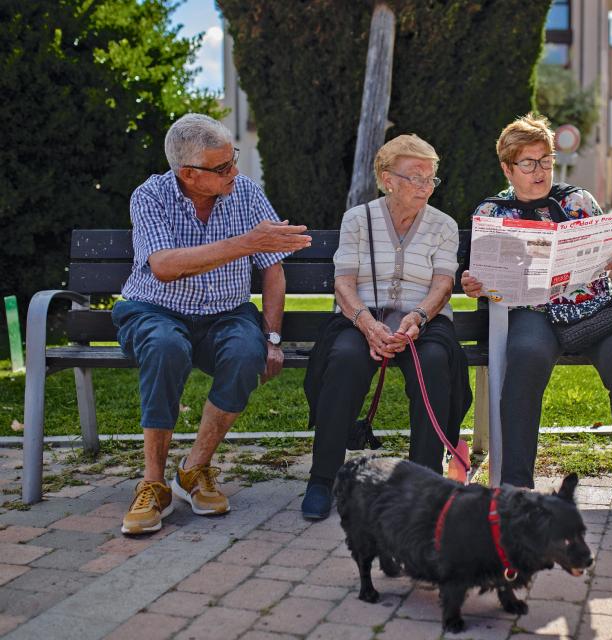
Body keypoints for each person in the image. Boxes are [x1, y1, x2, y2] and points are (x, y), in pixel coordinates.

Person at [113, 113, 312, 535]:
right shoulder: (150, 196)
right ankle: (152, 483)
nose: (234, 172)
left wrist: (273, 338)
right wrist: (245, 243)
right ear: (188, 173)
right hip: (154, 309)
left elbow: (273, 268)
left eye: (233, 159)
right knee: (166, 347)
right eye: (222, 167)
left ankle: (193, 471)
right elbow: (164, 267)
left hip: (226, 312)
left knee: (246, 351)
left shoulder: (245, 192)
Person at [461, 113, 612, 521]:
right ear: (507, 167)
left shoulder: (578, 201)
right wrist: (475, 284)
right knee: (527, 357)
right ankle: (516, 487)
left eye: (545, 161)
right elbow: (481, 278)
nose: (539, 172)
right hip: (532, 311)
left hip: (592, 307)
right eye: (528, 164)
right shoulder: (493, 212)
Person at [301, 134, 472, 520]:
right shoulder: (358, 220)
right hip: (361, 317)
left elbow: (443, 285)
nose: (425, 187)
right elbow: (343, 283)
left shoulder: (443, 225)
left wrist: (418, 318)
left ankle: (424, 484)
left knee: (433, 364)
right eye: (415, 177)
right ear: (386, 178)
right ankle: (322, 478)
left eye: (431, 179)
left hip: (423, 321)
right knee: (344, 358)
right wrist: (365, 323)